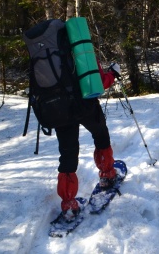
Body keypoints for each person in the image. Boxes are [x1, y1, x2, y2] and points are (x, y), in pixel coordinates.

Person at [56, 61, 121, 219]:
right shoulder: (78, 44)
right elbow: (97, 83)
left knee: (67, 153)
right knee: (101, 135)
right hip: (85, 105)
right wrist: (112, 74)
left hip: (59, 109)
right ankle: (107, 175)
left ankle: (68, 203)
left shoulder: (45, 48)